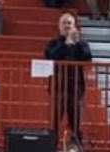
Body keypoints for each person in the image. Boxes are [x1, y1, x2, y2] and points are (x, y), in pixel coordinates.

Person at [44, 13, 92, 142]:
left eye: (69, 23)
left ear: (74, 26)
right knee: (54, 120)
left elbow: (87, 57)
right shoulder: (53, 43)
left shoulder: (81, 43)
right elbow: (50, 56)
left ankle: (76, 146)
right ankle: (51, 146)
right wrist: (65, 44)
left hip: (75, 86)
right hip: (58, 87)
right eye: (64, 23)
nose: (67, 26)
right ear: (59, 26)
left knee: (75, 120)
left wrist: (76, 43)